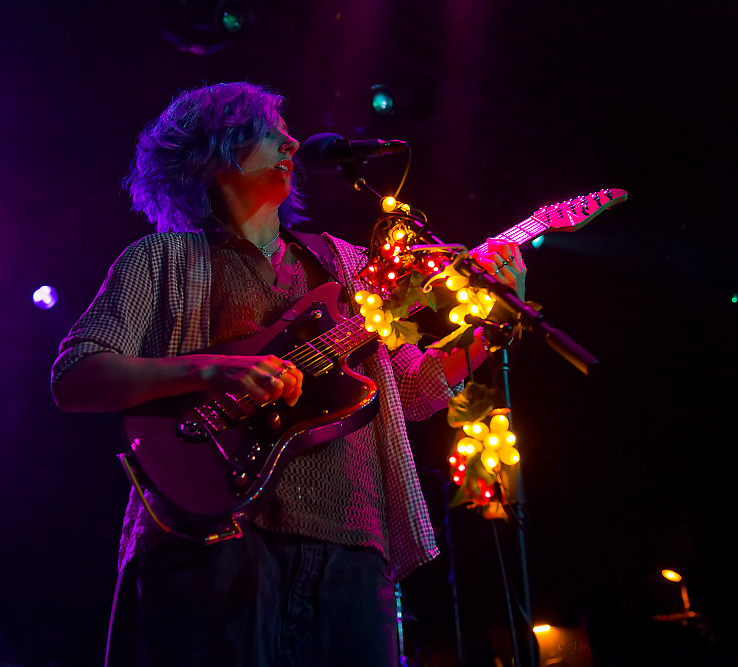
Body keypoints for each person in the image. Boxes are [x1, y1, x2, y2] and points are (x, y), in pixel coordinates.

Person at [50, 81, 526, 667]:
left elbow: (418, 390)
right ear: (217, 150)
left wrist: (494, 327)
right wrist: (209, 370)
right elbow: (76, 376)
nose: (293, 142)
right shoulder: (161, 259)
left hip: (351, 547)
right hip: (207, 542)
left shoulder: (343, 264)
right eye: (270, 132)